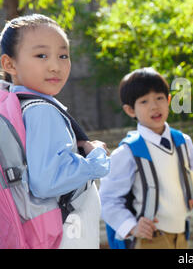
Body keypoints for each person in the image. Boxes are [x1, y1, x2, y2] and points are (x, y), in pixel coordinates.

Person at [0, 13, 111, 248]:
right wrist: (95, 158)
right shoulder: (42, 110)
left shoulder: (15, 105)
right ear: (9, 64)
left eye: (63, 55)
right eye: (41, 55)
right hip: (66, 236)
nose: (55, 65)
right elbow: (47, 180)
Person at [99, 67, 193, 249]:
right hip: (149, 240)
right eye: (144, 101)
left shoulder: (183, 142)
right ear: (130, 110)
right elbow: (108, 200)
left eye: (159, 98)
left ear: (169, 100)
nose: (154, 106)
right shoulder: (128, 152)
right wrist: (132, 227)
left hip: (181, 236)